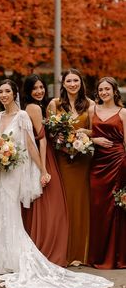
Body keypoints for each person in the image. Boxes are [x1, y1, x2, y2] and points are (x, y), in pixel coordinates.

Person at [0, 79, 113, 288]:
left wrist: (42, 169)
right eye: (1, 92)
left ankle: (16, 257)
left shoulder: (23, 115)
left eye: (8, 91)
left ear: (15, 94)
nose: (3, 95)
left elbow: (32, 144)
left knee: (11, 213)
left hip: (15, 171)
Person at [48, 68, 94, 266]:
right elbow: (48, 131)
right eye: (69, 80)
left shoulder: (90, 105)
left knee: (81, 201)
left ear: (81, 83)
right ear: (63, 83)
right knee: (64, 202)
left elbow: (96, 130)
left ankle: (81, 251)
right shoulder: (55, 104)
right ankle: (64, 251)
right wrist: (56, 137)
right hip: (62, 159)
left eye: (76, 80)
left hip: (82, 160)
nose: (73, 84)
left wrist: (84, 133)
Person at [22, 74, 68, 266]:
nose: (39, 91)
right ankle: (46, 247)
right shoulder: (33, 107)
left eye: (41, 87)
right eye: (35, 88)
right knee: (50, 203)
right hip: (42, 156)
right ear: (28, 91)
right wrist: (43, 169)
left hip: (45, 154)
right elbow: (40, 139)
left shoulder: (40, 106)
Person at [88, 77, 126, 269]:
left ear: (114, 91)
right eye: (100, 89)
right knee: (98, 207)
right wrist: (95, 140)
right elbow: (87, 133)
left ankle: (117, 257)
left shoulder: (123, 113)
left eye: (107, 89)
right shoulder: (92, 109)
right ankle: (98, 255)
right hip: (97, 164)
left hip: (118, 162)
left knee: (116, 207)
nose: (103, 92)